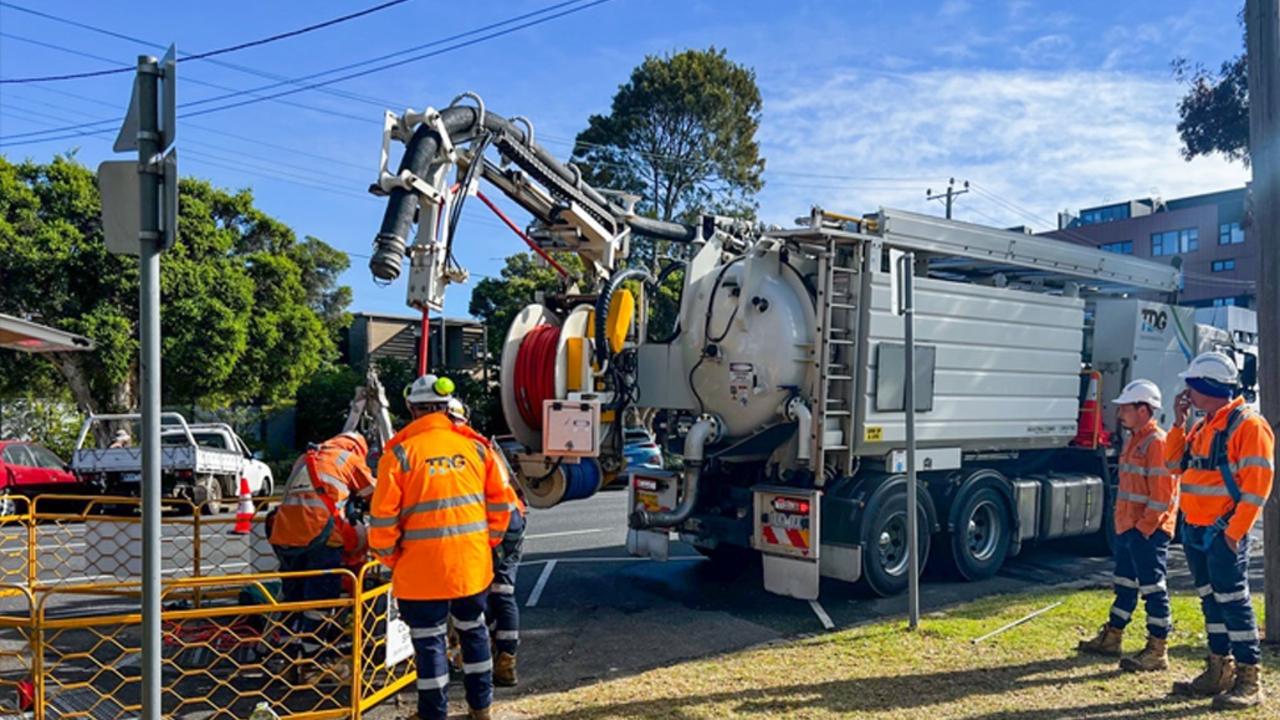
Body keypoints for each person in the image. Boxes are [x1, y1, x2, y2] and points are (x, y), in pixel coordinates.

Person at [369, 375, 517, 720]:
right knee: (474, 631)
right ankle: (482, 709)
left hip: (421, 572)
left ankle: (432, 714)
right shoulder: (477, 447)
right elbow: (501, 507)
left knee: (430, 642)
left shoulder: (399, 454)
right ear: (447, 408)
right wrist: (485, 544)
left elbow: (381, 522)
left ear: (411, 408)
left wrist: (391, 558)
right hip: (470, 567)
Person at [1166, 351, 1274, 709]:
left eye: (1192, 387)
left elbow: (1258, 486)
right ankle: (1219, 671)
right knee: (1211, 601)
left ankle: (1248, 679)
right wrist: (1179, 422)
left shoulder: (1248, 425)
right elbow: (1173, 464)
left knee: (1233, 601)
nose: (1187, 393)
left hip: (1221, 534)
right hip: (1196, 530)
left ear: (1207, 386)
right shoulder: (1204, 423)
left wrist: (1232, 534)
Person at [1077, 379, 1177, 672]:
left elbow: (1162, 496)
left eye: (1126, 409)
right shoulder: (1136, 439)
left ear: (1143, 409)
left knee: (1153, 589)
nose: (1120, 414)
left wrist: (1144, 529)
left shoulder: (1156, 443)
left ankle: (1158, 649)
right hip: (1130, 529)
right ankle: (1113, 637)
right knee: (1124, 585)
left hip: (1146, 532)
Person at [268, 431, 374, 683]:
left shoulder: (306, 457)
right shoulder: (349, 458)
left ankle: (286, 658)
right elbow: (375, 496)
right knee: (320, 602)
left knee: (293, 599)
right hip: (320, 536)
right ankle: (314, 664)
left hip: (284, 536)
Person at [447, 398, 528, 687]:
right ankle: (503, 659)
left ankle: (503, 660)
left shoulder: (463, 447)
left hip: (500, 525)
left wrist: (490, 542)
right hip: (507, 520)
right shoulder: (478, 444)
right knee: (498, 591)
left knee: (495, 591)